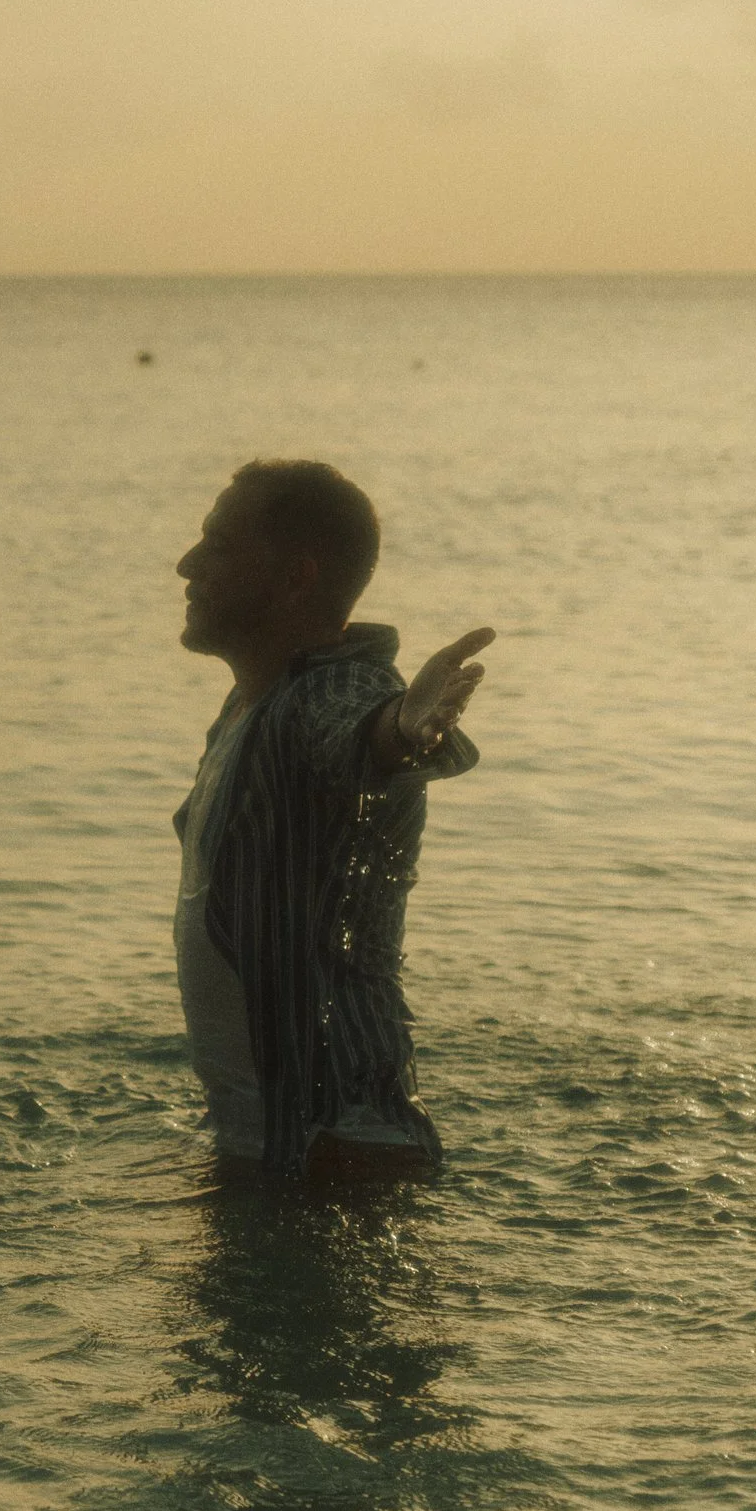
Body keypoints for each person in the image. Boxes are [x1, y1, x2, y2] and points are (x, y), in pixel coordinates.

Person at [170, 460, 493, 1179]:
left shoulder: (334, 690)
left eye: (217, 545)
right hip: (270, 1148)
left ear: (295, 579)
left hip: (338, 1157)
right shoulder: (249, 706)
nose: (188, 564)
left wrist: (405, 729)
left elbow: (359, 732)